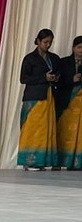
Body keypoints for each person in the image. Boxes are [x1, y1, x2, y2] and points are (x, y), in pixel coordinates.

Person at [18, 28, 61, 170]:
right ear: (37, 41)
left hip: (49, 96)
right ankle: (30, 161)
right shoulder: (30, 58)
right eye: (45, 42)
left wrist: (55, 78)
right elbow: (23, 79)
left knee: (46, 129)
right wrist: (44, 77)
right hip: (33, 98)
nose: (48, 45)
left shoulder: (54, 58)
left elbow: (59, 74)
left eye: (50, 42)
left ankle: (43, 161)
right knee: (33, 129)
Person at [56, 35, 82, 169]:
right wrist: (71, 80)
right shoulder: (64, 62)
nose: (81, 50)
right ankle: (63, 161)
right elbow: (57, 82)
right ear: (73, 48)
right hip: (67, 103)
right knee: (66, 132)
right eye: (79, 47)